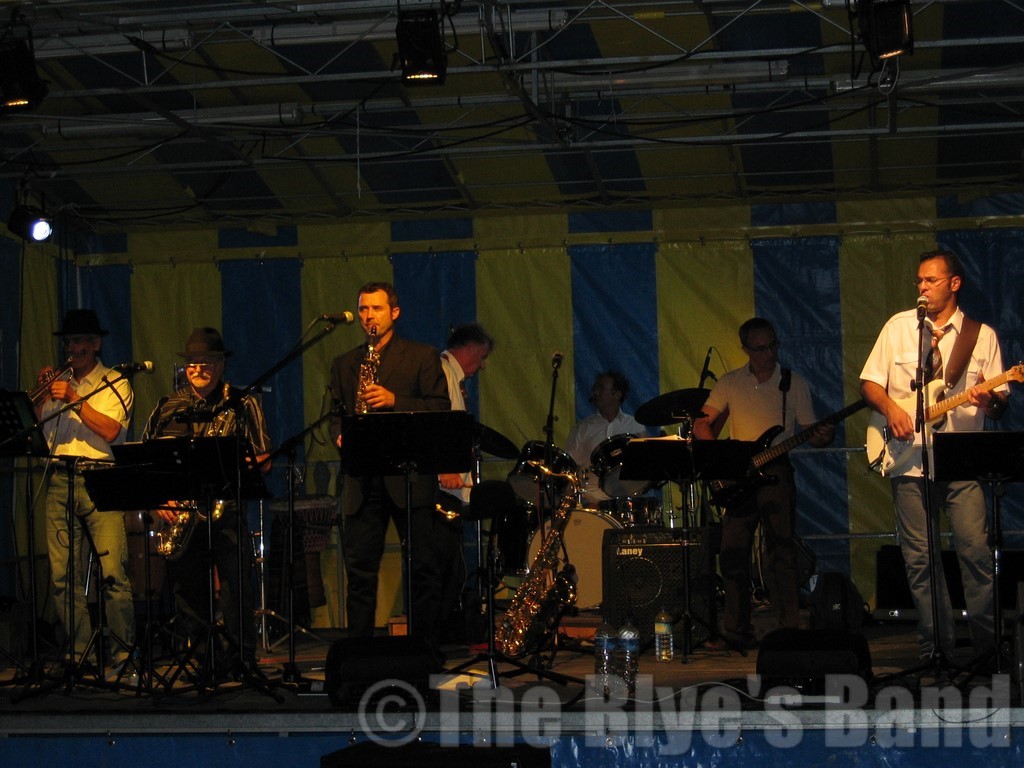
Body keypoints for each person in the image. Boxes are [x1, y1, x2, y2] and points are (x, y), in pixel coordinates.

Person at [860, 249, 1008, 660]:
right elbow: (870, 384)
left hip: (963, 461)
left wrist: (988, 398)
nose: (922, 287)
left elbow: (999, 405)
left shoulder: (983, 336)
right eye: (919, 281)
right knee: (920, 561)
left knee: (975, 554)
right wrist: (891, 410)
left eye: (930, 280)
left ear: (954, 283)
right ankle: (936, 648)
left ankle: (985, 650)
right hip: (909, 461)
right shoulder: (899, 328)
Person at [693, 317, 834, 650]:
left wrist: (821, 436)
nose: (768, 353)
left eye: (772, 345)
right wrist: (718, 461)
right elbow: (702, 424)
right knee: (731, 553)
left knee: (781, 551)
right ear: (745, 349)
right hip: (739, 472)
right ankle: (736, 632)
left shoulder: (792, 382)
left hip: (777, 471)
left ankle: (788, 629)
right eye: (760, 348)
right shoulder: (730, 382)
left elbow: (811, 432)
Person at [328, 282, 451, 651]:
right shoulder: (345, 363)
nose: (369, 317)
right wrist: (339, 435)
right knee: (360, 573)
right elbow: (335, 416)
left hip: (408, 476)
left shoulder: (422, 356)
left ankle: (422, 649)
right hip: (363, 479)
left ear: (394, 313)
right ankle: (359, 653)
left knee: (422, 569)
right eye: (363, 310)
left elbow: (440, 409)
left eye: (377, 309)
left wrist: (395, 400)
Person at [142, 327, 272, 674]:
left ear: (221, 364)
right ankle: (204, 659)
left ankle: (241, 659)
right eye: (193, 363)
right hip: (181, 518)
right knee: (188, 593)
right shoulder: (167, 407)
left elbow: (264, 457)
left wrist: (230, 470)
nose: (199, 368)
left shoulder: (243, 403)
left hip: (226, 512)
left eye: (208, 361)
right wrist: (159, 499)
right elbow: (145, 460)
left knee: (237, 590)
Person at [35, 308, 136, 674]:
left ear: (96, 345)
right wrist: (40, 395)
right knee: (63, 577)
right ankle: (81, 652)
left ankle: (123, 654)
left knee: (113, 572)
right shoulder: (58, 382)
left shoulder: (114, 382)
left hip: (100, 478)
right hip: (60, 477)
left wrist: (75, 400)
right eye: (69, 342)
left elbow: (111, 431)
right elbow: (38, 430)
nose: (72, 349)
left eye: (79, 342)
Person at [436, 323, 494, 642]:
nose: (482, 365)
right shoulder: (442, 372)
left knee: (451, 564)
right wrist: (445, 467)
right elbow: (440, 424)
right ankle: (440, 633)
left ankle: (447, 629)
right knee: (444, 563)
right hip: (444, 484)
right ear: (469, 349)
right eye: (482, 356)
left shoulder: (454, 378)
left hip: (452, 484)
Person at [566, 371, 645, 506]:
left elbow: (644, 464)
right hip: (591, 504)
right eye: (595, 388)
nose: (596, 392)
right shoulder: (582, 428)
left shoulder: (634, 426)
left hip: (626, 503)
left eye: (601, 388)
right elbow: (569, 468)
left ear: (617, 394)